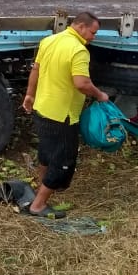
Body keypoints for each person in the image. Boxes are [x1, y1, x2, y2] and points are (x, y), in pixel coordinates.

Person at [21, 12, 110, 217]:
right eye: (92, 32)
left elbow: (36, 70)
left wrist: (29, 95)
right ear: (80, 26)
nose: (93, 37)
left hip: (42, 109)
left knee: (46, 153)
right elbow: (82, 84)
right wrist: (100, 95)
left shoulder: (49, 40)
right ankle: (38, 205)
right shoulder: (79, 50)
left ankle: (40, 191)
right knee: (64, 161)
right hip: (63, 115)